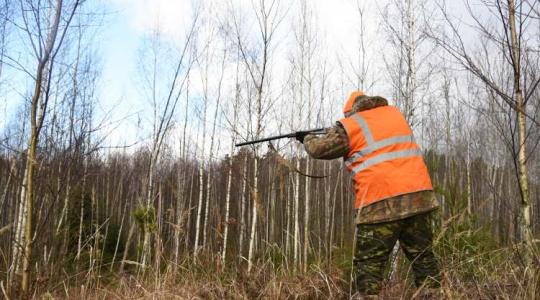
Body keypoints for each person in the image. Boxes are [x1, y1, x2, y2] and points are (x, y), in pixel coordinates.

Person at [300, 91, 441, 298]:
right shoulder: (395, 115)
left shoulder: (353, 124)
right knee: (423, 259)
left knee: (368, 269)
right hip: (419, 198)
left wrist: (307, 138)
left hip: (380, 203)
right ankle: (435, 294)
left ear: (351, 111)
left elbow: (319, 149)